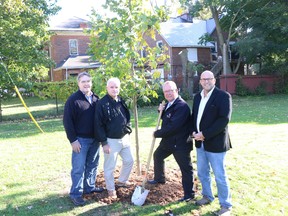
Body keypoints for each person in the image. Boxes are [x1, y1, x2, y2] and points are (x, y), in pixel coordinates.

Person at [190, 70, 233, 215]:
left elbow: (224, 120)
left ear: (214, 80)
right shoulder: (197, 97)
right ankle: (207, 196)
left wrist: (205, 134)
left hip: (215, 144)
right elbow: (194, 117)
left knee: (219, 175)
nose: (206, 81)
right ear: (200, 81)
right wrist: (194, 132)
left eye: (209, 79)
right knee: (202, 173)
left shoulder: (223, 96)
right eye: (203, 79)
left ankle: (226, 205)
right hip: (200, 143)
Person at [147, 81, 195, 202]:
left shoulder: (182, 106)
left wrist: (157, 133)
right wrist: (160, 112)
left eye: (170, 90)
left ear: (176, 91)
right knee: (158, 155)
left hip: (180, 144)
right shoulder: (169, 104)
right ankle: (160, 178)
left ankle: (189, 194)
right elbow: (168, 118)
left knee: (186, 169)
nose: (168, 93)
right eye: (166, 91)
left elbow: (174, 126)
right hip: (168, 142)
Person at [63, 72, 104, 206]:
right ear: (78, 84)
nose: (86, 84)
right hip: (80, 140)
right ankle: (76, 193)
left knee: (92, 165)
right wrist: (73, 140)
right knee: (78, 168)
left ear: (91, 83)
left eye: (88, 81)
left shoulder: (96, 99)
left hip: (95, 140)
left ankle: (89, 187)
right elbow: (67, 122)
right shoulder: (73, 100)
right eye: (83, 82)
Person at [95, 77, 134, 199]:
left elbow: (126, 116)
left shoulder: (121, 100)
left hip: (124, 138)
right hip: (110, 141)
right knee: (109, 167)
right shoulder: (102, 104)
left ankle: (122, 181)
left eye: (116, 87)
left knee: (129, 160)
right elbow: (98, 125)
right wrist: (104, 143)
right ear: (107, 88)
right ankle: (111, 189)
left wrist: (128, 126)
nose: (114, 89)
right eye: (112, 87)